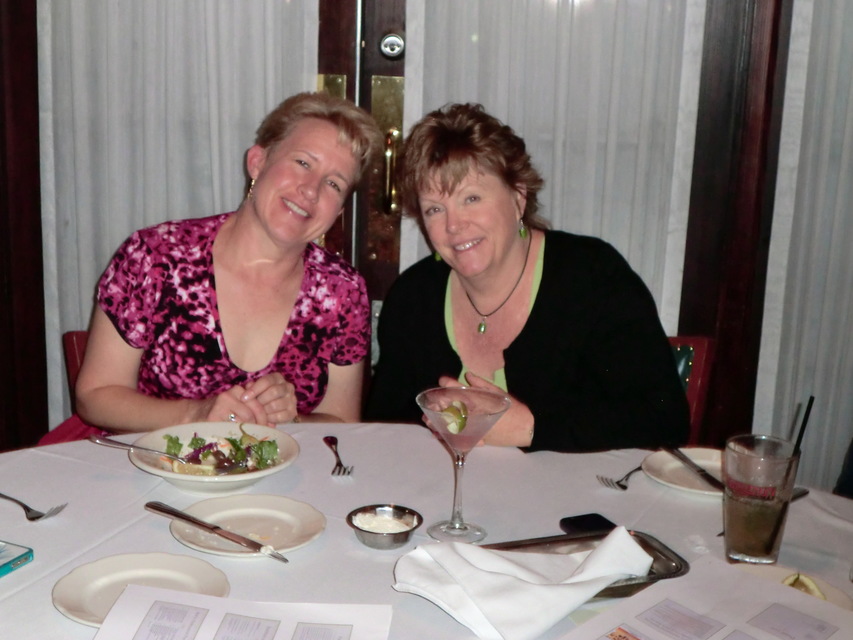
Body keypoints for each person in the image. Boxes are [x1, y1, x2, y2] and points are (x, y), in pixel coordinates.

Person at [365, 103, 689, 452]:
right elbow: (383, 431)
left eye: (471, 198)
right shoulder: (412, 297)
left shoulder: (593, 277)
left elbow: (665, 420)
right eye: (434, 209)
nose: (454, 225)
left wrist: (532, 428)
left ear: (518, 197)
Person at [72, 92, 383, 434]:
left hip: (282, 469)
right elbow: (95, 396)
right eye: (303, 163)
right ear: (258, 161)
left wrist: (293, 418)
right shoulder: (155, 257)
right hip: (154, 462)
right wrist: (195, 414)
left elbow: (342, 424)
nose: (311, 190)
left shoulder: (343, 292)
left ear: (338, 212)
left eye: (334, 184)